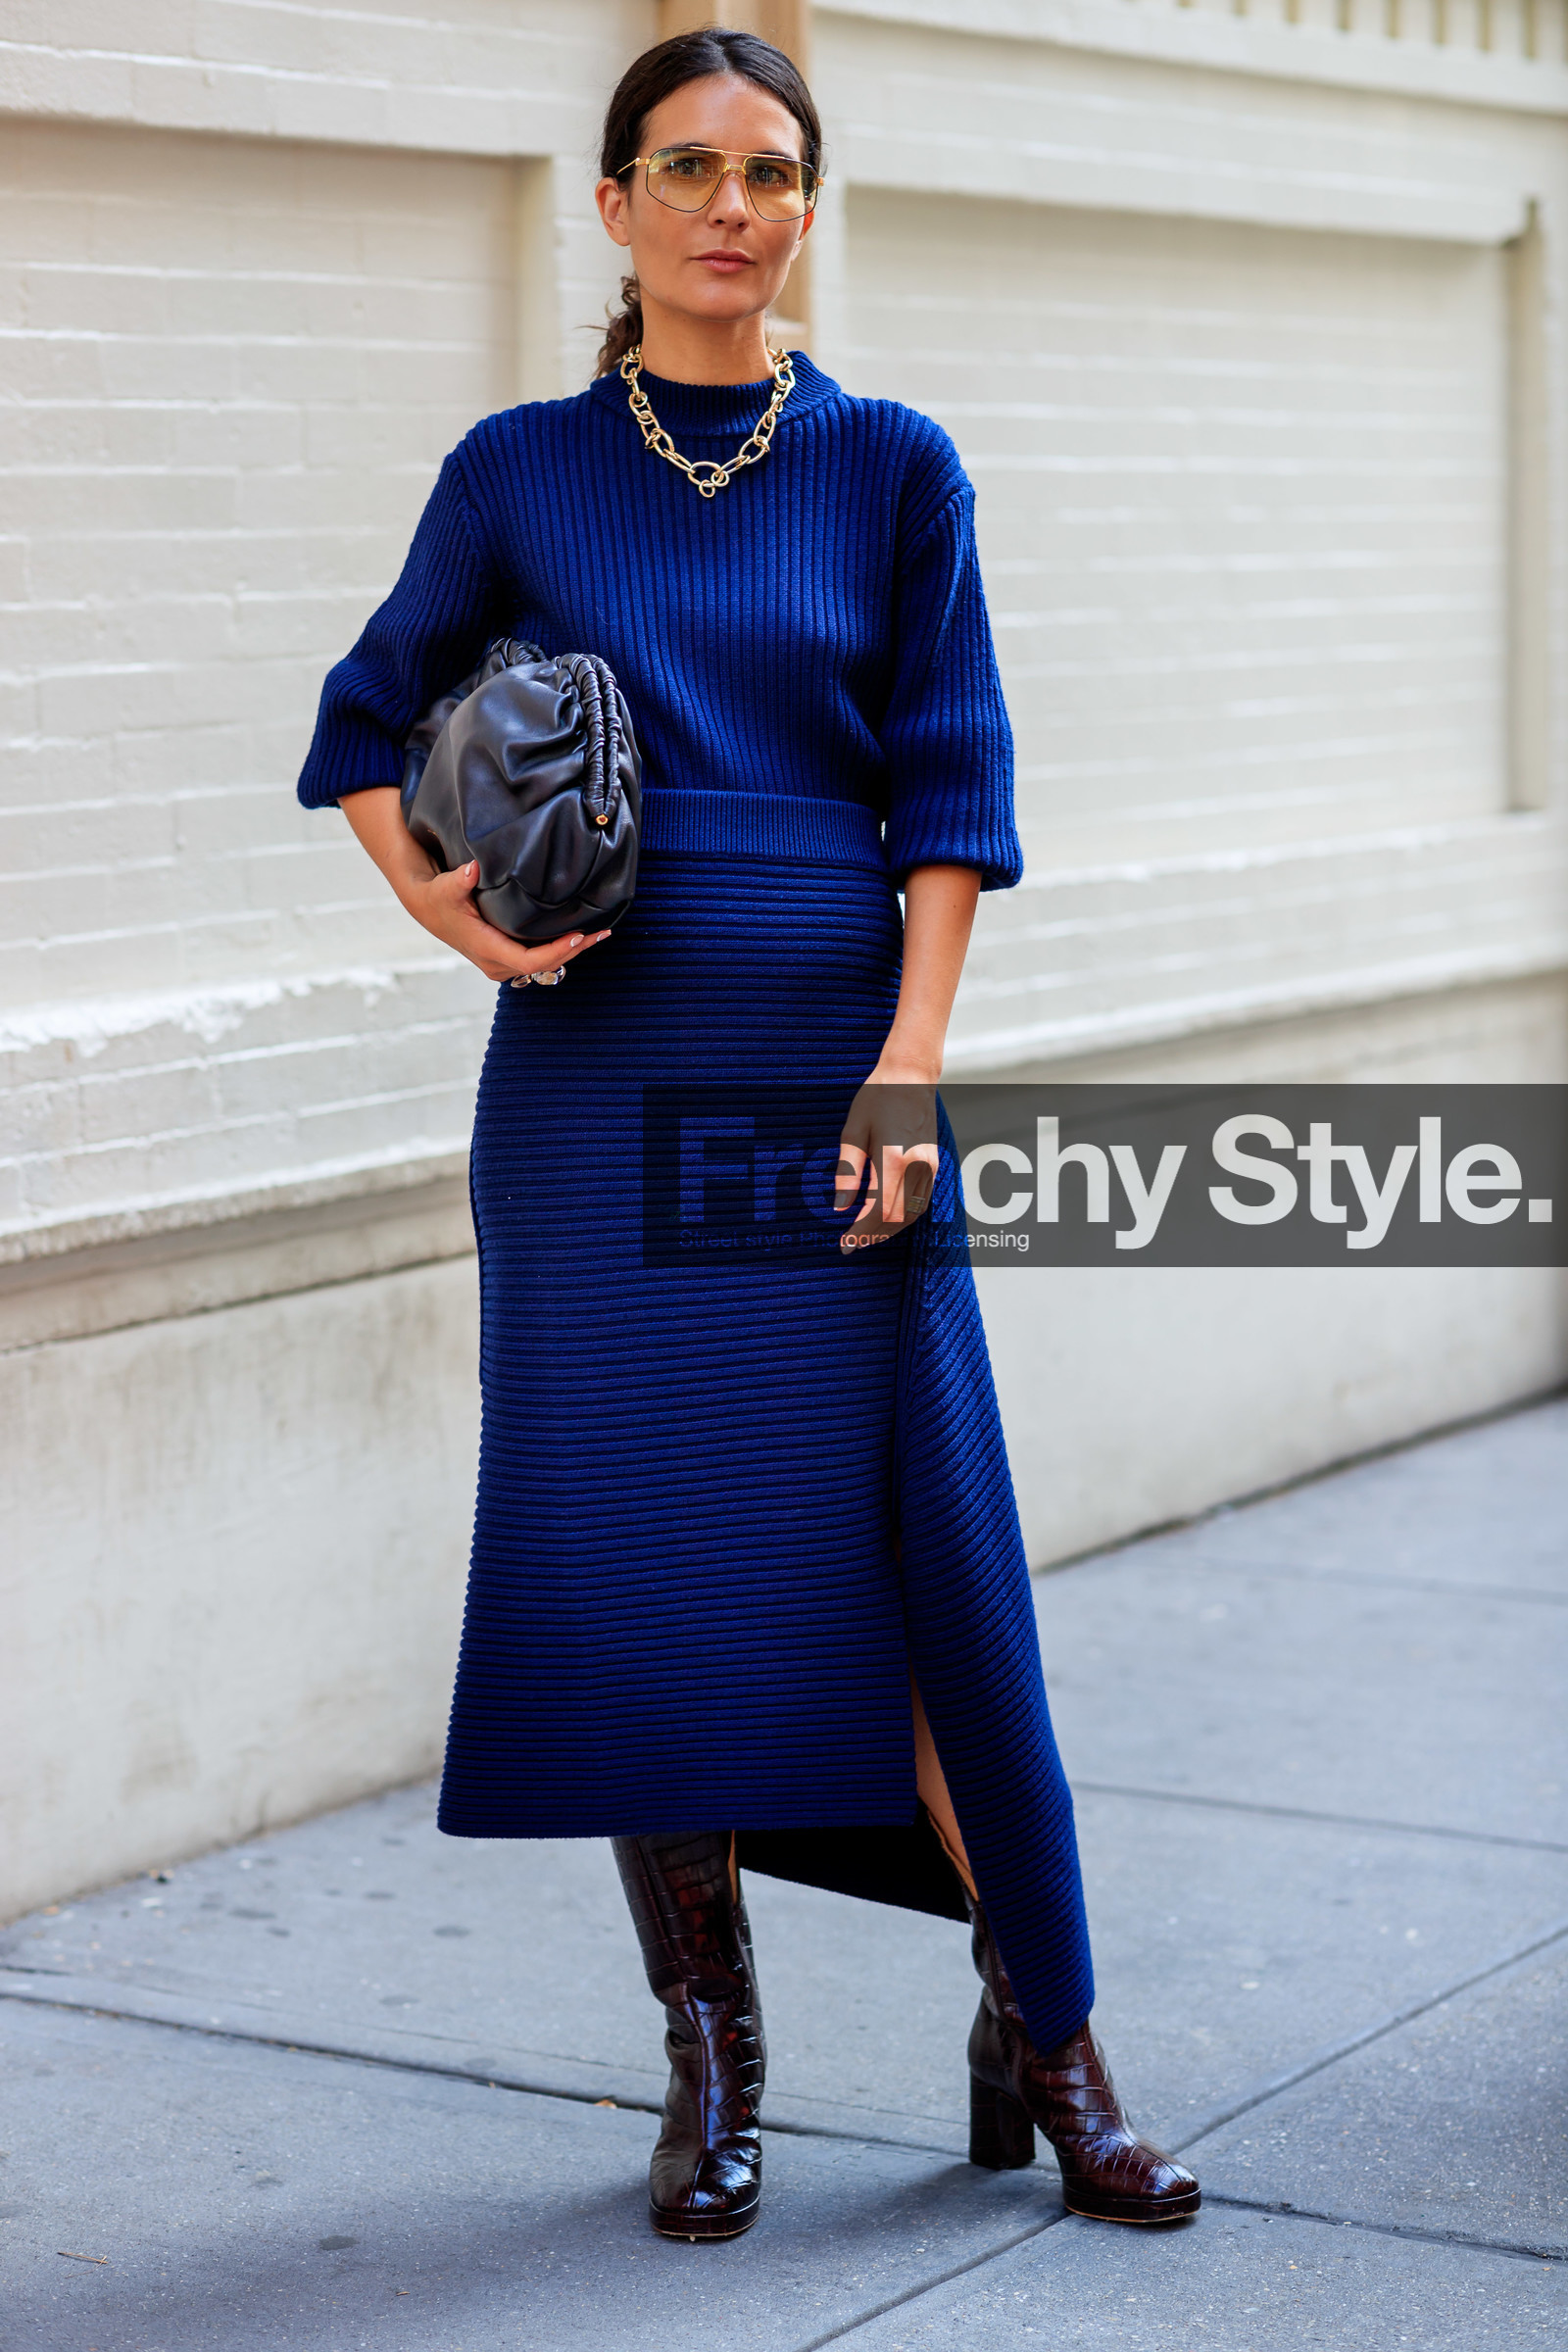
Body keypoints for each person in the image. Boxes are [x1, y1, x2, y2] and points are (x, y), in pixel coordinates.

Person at [295, 25, 1199, 2245]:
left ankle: (1045, 2027)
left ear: (804, 207)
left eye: (767, 170)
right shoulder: (515, 471)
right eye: (682, 168)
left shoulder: (893, 466)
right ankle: (708, 2064)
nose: (727, 205)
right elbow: (354, 735)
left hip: (828, 1070)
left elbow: (951, 796)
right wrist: (463, 934)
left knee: (919, 1567)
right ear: (609, 208)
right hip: (598, 1087)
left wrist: (909, 1062)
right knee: (652, 1574)